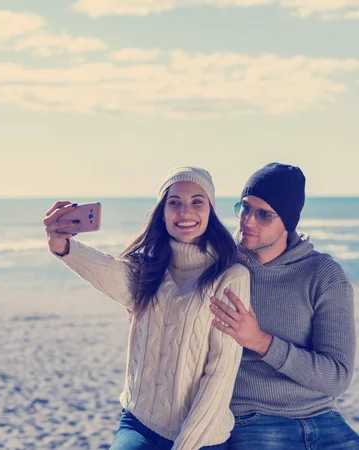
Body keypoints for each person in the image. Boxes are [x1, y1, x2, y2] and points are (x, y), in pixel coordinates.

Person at [43, 166, 250, 450]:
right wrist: (62, 245)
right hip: (139, 424)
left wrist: (185, 444)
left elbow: (221, 372)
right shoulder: (148, 270)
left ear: (210, 211)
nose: (184, 212)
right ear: (162, 212)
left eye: (197, 202)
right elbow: (106, 271)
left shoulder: (231, 276)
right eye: (174, 202)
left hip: (201, 437)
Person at [208, 163, 359, 450]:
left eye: (264, 214)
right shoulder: (221, 265)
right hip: (252, 418)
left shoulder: (323, 274)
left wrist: (262, 343)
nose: (248, 221)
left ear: (288, 221)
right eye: (245, 208)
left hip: (323, 418)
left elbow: (337, 376)